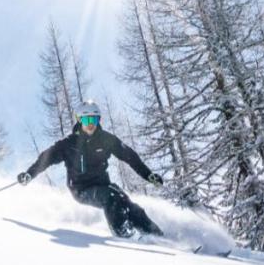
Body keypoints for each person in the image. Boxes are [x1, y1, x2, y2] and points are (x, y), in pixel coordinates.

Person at [17, 100, 165, 238]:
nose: (90, 125)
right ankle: (125, 236)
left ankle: (156, 236)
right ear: (80, 120)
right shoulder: (68, 144)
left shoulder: (106, 139)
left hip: (103, 185)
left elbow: (129, 156)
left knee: (128, 204)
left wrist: (148, 175)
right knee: (112, 197)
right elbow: (46, 158)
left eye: (94, 120)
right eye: (86, 120)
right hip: (81, 189)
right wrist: (29, 174)